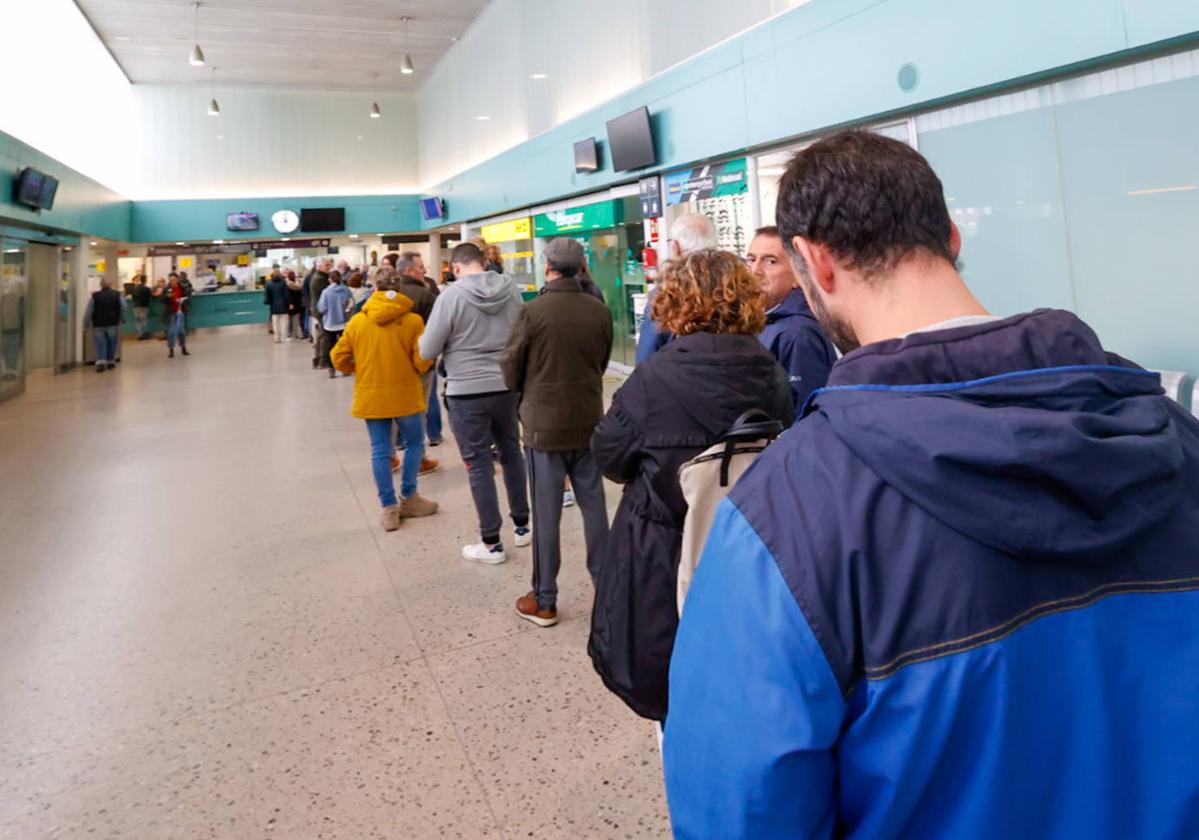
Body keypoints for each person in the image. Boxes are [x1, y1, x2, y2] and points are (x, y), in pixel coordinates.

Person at [664, 131, 1199, 838]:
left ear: (816, 264)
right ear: (948, 236)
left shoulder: (784, 514)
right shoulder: (1168, 434)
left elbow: (742, 810)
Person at [589, 248, 793, 724]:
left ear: (674, 303)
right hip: (750, 545)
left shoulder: (654, 379)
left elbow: (610, 455)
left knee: (670, 678)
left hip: (664, 549)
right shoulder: (771, 373)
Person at [500, 237, 613, 628]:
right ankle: (608, 591)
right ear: (582, 268)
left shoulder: (532, 312)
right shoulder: (598, 311)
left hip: (543, 428)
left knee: (546, 513)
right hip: (588, 420)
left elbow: (511, 367)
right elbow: (601, 360)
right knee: (595, 506)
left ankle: (545, 600)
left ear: (547, 268)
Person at [419, 242, 531, 564]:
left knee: (478, 464)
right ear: (484, 262)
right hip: (506, 387)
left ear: (455, 268)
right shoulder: (510, 290)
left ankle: (492, 543)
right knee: (511, 451)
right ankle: (522, 527)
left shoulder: (451, 296)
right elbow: (523, 335)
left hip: (466, 392)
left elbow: (427, 349)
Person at [330, 273, 439, 532]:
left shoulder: (358, 322)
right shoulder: (413, 321)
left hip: (373, 396)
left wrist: (360, 371)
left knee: (380, 450)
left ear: (374, 289)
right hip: (406, 395)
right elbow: (422, 359)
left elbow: (338, 357)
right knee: (413, 444)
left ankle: (389, 508)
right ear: (399, 288)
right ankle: (410, 498)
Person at [748, 224, 838, 410]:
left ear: (798, 274)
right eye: (751, 259)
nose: (755, 271)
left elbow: (805, 409)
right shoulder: (770, 321)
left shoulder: (796, 334)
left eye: (770, 261)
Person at [635, 213, 717, 365]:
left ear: (676, 247)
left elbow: (646, 358)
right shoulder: (737, 285)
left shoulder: (666, 294)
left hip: (681, 382)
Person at [395, 253, 444, 455]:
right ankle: (420, 452)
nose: (424, 270)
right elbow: (437, 329)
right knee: (420, 406)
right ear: (408, 270)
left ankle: (396, 446)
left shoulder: (386, 294)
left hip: (394, 363)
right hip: (421, 362)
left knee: (396, 407)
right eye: (421, 267)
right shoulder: (424, 295)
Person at [84, 278, 126, 372]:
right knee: (112, 342)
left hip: (98, 324)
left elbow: (89, 311)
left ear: (101, 285)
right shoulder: (117, 294)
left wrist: (86, 323)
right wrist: (119, 315)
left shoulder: (95, 296)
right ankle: (111, 361)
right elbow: (124, 306)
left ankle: (101, 362)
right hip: (113, 323)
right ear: (110, 284)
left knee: (100, 343)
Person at [317, 271, 353, 378]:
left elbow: (322, 307)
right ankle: (345, 368)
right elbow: (351, 302)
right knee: (344, 346)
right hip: (343, 322)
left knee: (330, 347)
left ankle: (331, 369)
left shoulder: (326, 292)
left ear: (330, 279)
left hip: (330, 323)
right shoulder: (346, 290)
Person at [160, 272, 190, 358]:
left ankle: (183, 347)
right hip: (171, 313)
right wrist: (167, 296)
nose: (172, 282)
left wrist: (183, 300)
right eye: (171, 280)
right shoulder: (166, 289)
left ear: (177, 280)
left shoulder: (182, 288)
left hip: (180, 312)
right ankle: (171, 349)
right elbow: (161, 299)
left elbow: (188, 298)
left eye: (174, 280)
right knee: (171, 332)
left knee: (182, 331)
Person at [309, 259, 332, 369]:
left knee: (321, 335)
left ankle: (318, 359)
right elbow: (328, 293)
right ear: (319, 267)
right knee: (325, 336)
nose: (329, 267)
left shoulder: (319, 277)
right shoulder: (320, 279)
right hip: (321, 310)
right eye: (326, 265)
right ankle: (323, 360)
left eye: (329, 265)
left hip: (318, 309)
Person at [263, 270, 290, 343]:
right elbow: (286, 295)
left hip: (273, 307)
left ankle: (276, 338)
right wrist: (289, 303)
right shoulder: (283, 283)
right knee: (284, 323)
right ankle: (283, 337)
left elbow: (267, 297)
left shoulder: (269, 284)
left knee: (275, 323)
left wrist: (267, 301)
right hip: (283, 306)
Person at [128, 274, 152, 340]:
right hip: (144, 306)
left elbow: (132, 297)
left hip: (136, 306)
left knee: (137, 321)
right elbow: (152, 296)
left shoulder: (134, 288)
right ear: (145, 280)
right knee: (144, 320)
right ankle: (145, 334)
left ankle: (139, 334)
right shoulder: (147, 289)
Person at [286, 270, 306, 338]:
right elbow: (300, 291)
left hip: (290, 303)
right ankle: (295, 334)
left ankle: (289, 333)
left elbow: (287, 295)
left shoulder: (287, 284)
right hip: (297, 303)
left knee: (290, 320)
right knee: (296, 320)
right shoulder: (299, 285)